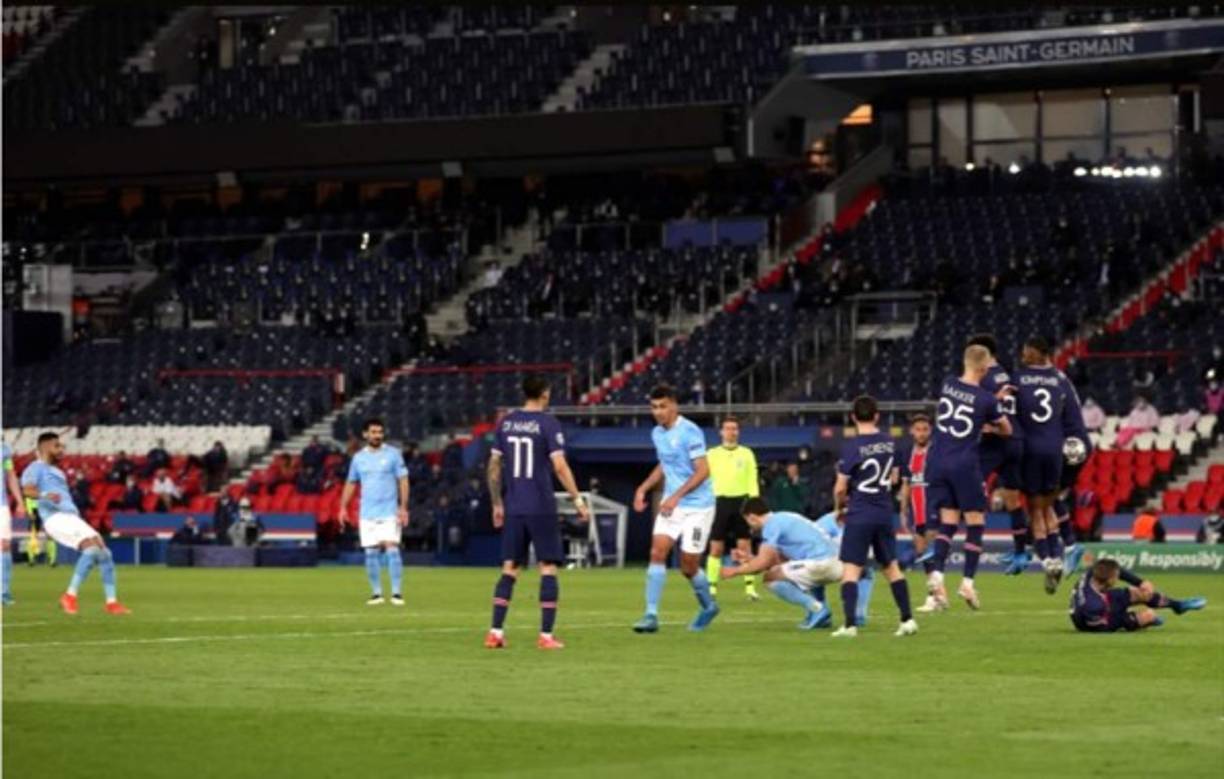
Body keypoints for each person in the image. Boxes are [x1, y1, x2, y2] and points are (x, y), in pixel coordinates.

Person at [484, 375, 589, 651]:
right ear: (544, 393)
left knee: (510, 568)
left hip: (514, 504)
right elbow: (560, 466)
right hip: (540, 505)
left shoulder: (506, 422)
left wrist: (497, 503)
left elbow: (494, 467)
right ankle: (545, 636)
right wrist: (577, 499)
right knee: (548, 567)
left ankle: (495, 632)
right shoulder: (547, 423)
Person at [923, 344, 1013, 612]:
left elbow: (967, 404)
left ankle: (937, 575)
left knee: (948, 522)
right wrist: (994, 411)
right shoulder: (987, 399)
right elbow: (1006, 429)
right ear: (985, 369)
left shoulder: (948, 384)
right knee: (975, 521)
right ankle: (967, 582)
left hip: (937, 461)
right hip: (964, 464)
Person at [631, 384, 719, 634]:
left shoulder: (690, 431)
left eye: (663, 406)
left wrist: (676, 496)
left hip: (698, 506)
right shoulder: (657, 433)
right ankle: (650, 615)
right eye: (654, 407)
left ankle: (708, 606)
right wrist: (643, 488)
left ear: (674, 405)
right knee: (657, 552)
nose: (658, 412)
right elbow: (664, 463)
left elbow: (703, 471)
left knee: (688, 566)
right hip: (673, 503)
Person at [830, 395, 917, 638]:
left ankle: (849, 625)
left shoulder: (852, 446)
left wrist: (838, 508)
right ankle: (907, 619)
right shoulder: (891, 443)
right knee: (891, 567)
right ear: (877, 415)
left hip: (860, 513)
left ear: (853, 417)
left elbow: (839, 487)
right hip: (883, 512)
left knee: (850, 570)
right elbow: (896, 478)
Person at [19, 432, 130, 615]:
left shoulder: (58, 472)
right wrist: (45, 495)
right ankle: (69, 596)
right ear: (45, 448)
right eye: (57, 446)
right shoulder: (35, 468)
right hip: (55, 518)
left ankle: (111, 603)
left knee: (104, 553)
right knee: (92, 549)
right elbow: (28, 490)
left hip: (71, 518)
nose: (61, 449)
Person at [1014, 336, 1089, 593]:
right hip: (1057, 450)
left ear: (1038, 352)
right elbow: (1074, 417)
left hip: (1031, 450)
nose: (1023, 354)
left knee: (1036, 509)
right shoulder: (1061, 379)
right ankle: (1068, 546)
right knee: (1050, 503)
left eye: (1026, 350)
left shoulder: (1018, 378)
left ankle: (1050, 559)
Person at [718, 498, 838, 629]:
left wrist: (734, 571)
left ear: (751, 517)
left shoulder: (771, 525)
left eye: (747, 521)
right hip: (837, 563)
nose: (749, 526)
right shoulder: (784, 517)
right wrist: (750, 558)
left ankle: (817, 609)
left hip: (821, 563)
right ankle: (822, 616)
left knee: (769, 578)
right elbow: (777, 561)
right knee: (802, 575)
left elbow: (763, 563)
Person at [967, 334, 1028, 584]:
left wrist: (983, 426)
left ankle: (944, 542)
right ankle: (1021, 553)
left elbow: (982, 410)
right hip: (1016, 441)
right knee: (1013, 499)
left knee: (966, 488)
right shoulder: (1007, 374)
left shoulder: (984, 379)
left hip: (996, 442)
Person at [339, 418, 409, 606]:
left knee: (392, 549)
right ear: (365, 434)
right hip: (367, 512)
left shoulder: (394, 454)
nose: (377, 435)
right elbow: (351, 483)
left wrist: (403, 507)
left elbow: (403, 480)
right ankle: (376, 593)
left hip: (389, 510)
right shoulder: (358, 458)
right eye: (373, 432)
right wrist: (343, 507)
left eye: (380, 432)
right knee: (371, 553)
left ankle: (396, 593)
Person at [705, 416, 760, 601]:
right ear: (721, 432)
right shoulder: (711, 454)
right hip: (719, 502)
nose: (731, 432)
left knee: (744, 547)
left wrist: (754, 505)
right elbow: (704, 480)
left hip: (742, 503)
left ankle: (750, 588)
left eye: (734, 428)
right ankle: (711, 588)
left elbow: (753, 480)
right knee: (716, 548)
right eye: (727, 428)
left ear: (738, 431)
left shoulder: (747, 453)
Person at [1069, 558, 1204, 633]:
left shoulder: (1095, 572)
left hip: (1102, 602)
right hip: (1094, 623)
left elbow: (1118, 571)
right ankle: (1149, 620)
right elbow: (1106, 628)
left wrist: (1141, 582)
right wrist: (1135, 620)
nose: (1118, 577)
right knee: (1149, 615)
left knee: (1139, 592)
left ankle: (1177, 605)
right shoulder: (1093, 605)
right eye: (1116, 577)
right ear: (1109, 580)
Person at [897, 412, 940, 605]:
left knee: (932, 552)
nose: (921, 433)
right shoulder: (907, 453)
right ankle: (936, 596)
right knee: (923, 553)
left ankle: (935, 597)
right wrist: (903, 510)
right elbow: (906, 484)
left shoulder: (936, 451)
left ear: (930, 430)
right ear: (911, 432)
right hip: (916, 511)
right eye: (918, 430)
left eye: (925, 429)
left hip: (932, 506)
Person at [2, 439, 27, 606]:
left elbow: (10, 476)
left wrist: (19, 501)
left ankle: (3, 592)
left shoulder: (4, 450)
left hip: (1, 505)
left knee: (4, 546)